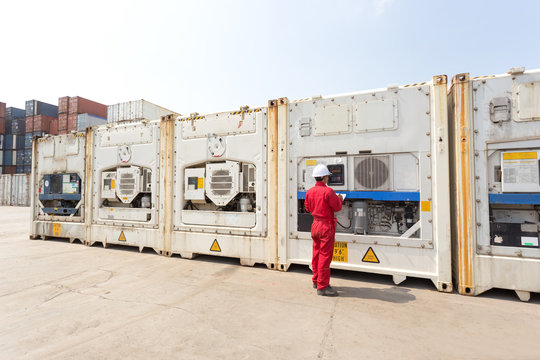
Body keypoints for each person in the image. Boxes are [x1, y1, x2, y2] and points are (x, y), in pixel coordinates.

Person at [304, 164, 343, 296]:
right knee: (325, 257)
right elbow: (337, 207)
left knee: (316, 254)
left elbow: (308, 208)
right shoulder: (328, 192)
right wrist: (340, 199)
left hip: (315, 225)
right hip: (326, 226)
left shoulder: (309, 192)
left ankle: (316, 280)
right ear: (325, 177)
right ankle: (323, 286)